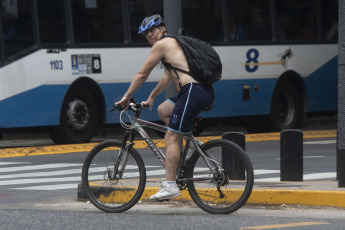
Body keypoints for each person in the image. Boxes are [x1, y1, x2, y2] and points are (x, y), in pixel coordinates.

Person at [115, 14, 214, 200]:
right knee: (163, 110)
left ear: (162, 29)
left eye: (152, 30)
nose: (149, 35)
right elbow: (169, 75)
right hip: (196, 91)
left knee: (171, 136)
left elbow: (142, 74)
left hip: (192, 91)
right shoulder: (174, 43)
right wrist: (152, 97)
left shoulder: (162, 45)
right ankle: (190, 144)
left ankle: (170, 185)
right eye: (145, 33)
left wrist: (126, 97)